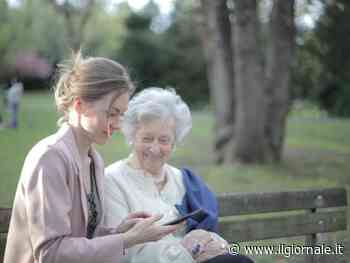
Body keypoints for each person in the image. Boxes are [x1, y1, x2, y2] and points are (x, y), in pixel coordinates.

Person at [4, 54, 178, 263]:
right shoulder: (49, 158)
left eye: (121, 114)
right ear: (79, 106)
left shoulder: (93, 159)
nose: (118, 124)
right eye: (112, 113)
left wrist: (119, 232)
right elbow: (51, 253)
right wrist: (124, 240)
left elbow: (83, 237)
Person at [104, 88, 254, 263]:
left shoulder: (181, 180)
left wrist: (210, 244)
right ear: (132, 137)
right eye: (146, 138)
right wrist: (189, 253)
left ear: (174, 142)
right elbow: (123, 251)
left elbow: (208, 234)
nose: (154, 148)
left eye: (164, 140)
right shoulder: (113, 180)